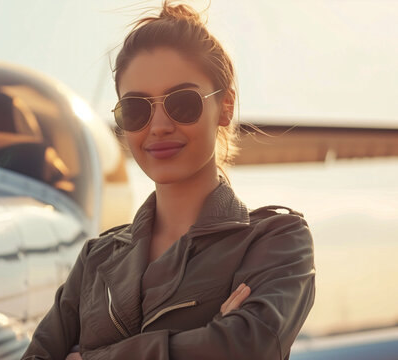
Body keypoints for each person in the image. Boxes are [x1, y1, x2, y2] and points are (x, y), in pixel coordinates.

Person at [22, 1, 315, 359]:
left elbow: (245, 347)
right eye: (136, 108)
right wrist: (207, 338)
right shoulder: (95, 259)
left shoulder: (276, 240)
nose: (159, 126)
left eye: (183, 102)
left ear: (224, 107)